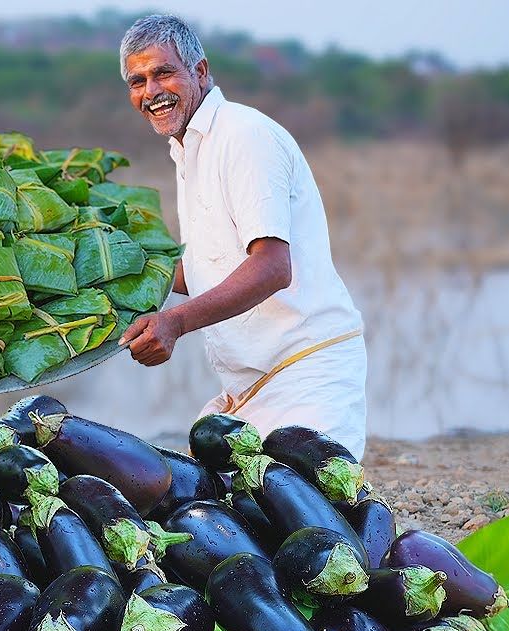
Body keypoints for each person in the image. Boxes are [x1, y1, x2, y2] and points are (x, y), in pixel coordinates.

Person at [116, 14, 368, 459]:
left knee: (309, 519)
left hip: (306, 376)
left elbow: (271, 267)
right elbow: (211, 269)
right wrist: (120, 273)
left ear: (200, 70)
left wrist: (174, 323)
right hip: (247, 391)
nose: (151, 91)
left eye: (163, 73)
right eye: (138, 81)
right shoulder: (189, 147)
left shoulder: (242, 134)